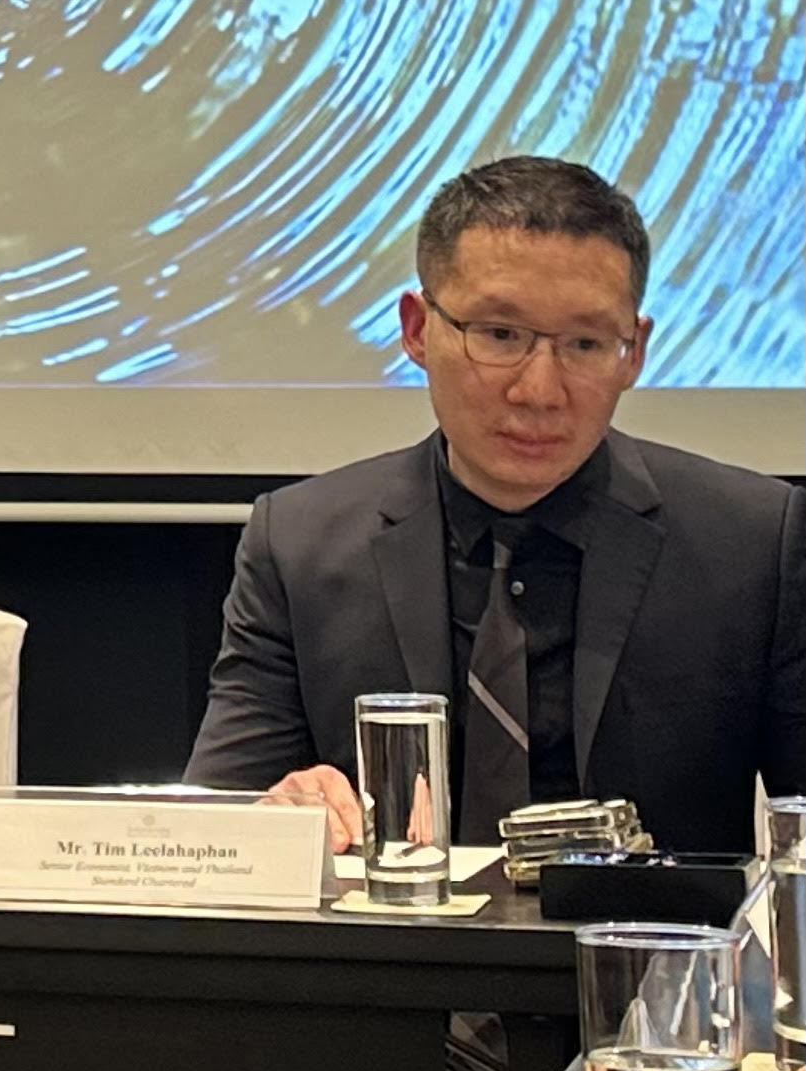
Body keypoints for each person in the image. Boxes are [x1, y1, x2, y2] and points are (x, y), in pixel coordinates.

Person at [185, 155, 806, 855]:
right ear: (417, 330)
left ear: (633, 353)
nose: (539, 390)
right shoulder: (298, 544)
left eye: (584, 344)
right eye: (499, 336)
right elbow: (217, 832)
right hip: (388, 956)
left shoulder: (752, 542)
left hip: (648, 953)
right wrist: (277, 815)